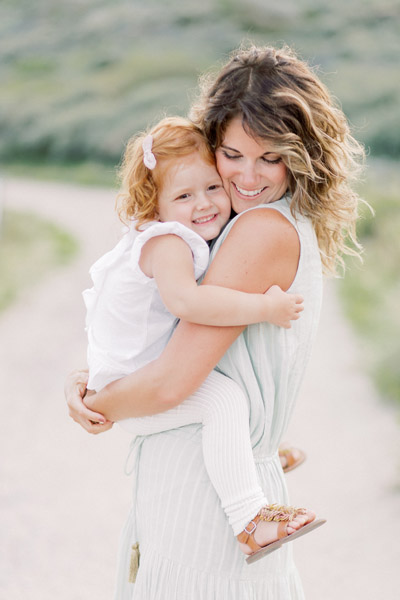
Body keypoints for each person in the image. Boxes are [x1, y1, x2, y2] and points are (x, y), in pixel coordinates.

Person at [65, 44, 364, 599]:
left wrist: (92, 403)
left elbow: (175, 381)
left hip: (207, 504)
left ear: (301, 155)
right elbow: (164, 335)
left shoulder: (259, 230)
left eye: (270, 157)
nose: (246, 178)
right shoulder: (263, 222)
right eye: (231, 154)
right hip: (210, 484)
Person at [83, 115, 310, 558]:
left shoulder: (176, 234)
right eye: (184, 195)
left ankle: (241, 458)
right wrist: (265, 308)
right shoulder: (169, 243)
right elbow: (188, 304)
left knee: (223, 392)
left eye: (212, 188)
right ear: (155, 205)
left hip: (131, 370)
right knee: (222, 400)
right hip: (133, 387)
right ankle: (249, 520)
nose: (204, 204)